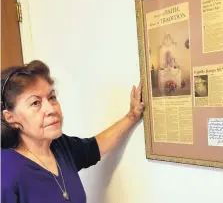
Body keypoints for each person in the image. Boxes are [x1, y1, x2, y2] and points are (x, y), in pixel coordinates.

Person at [1, 60, 144, 203]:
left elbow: (94, 147)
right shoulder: (6, 171)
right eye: (35, 103)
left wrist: (131, 117)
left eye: (52, 97)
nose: (51, 109)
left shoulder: (60, 146)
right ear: (11, 118)